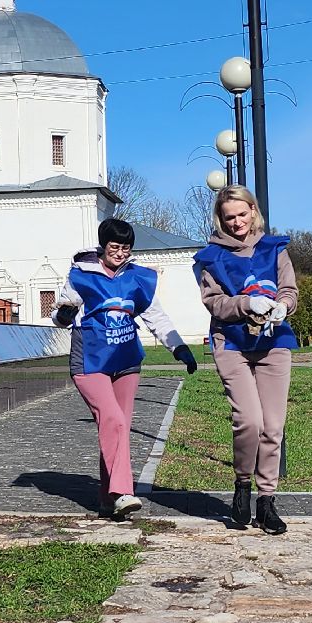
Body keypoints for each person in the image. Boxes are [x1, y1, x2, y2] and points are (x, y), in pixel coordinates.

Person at [55, 218, 197, 519]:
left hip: (126, 360)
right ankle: (122, 492)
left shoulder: (136, 278)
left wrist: (179, 348)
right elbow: (60, 314)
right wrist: (64, 315)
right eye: (114, 247)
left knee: (117, 427)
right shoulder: (82, 275)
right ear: (103, 246)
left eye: (126, 248)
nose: (120, 253)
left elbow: (155, 316)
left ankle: (108, 498)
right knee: (114, 421)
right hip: (90, 360)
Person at [193, 186, 298, 535]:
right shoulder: (211, 258)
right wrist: (244, 304)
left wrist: (284, 305)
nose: (237, 222)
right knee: (249, 421)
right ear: (220, 220)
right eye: (229, 217)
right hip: (232, 343)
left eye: (243, 213)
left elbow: (289, 289)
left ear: (253, 211)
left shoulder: (274, 248)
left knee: (273, 426)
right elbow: (214, 303)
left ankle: (266, 501)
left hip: (273, 343)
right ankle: (242, 481)